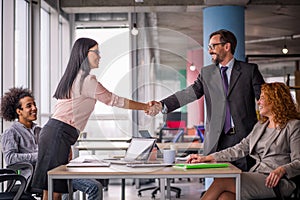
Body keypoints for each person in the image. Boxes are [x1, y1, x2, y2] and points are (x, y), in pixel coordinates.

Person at [31, 38, 151, 200]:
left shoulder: (73, 78)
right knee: (54, 192)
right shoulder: (87, 81)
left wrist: (66, 145)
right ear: (84, 54)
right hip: (58, 134)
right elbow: (115, 100)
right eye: (96, 52)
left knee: (50, 190)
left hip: (55, 133)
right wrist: (145, 107)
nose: (100, 56)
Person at [147, 29, 265, 171]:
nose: (210, 51)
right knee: (220, 179)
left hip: (244, 137)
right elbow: (189, 93)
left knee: (243, 181)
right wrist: (162, 105)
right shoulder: (207, 73)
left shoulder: (249, 71)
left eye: (213, 46)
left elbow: (265, 98)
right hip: (217, 138)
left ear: (226, 46)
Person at [187, 82, 300, 200]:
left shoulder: (293, 126)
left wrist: (282, 170)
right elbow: (239, 149)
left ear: (275, 100)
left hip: (277, 181)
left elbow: (299, 161)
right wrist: (206, 158)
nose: (258, 102)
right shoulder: (260, 126)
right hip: (257, 174)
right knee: (225, 197)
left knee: (222, 181)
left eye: (262, 98)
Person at [0, 87, 103, 200]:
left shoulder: (42, 131)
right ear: (18, 111)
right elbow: (10, 158)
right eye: (29, 106)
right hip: (34, 177)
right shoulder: (11, 133)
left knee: (91, 186)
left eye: (34, 105)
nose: (34, 108)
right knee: (93, 188)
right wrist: (41, 156)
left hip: (55, 170)